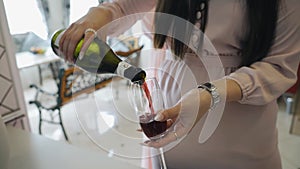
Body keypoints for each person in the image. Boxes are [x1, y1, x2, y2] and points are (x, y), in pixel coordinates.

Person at [58, 0, 300, 168]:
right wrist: (98, 16)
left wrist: (209, 94)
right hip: (168, 151)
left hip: (241, 146)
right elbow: (123, 6)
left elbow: (277, 67)